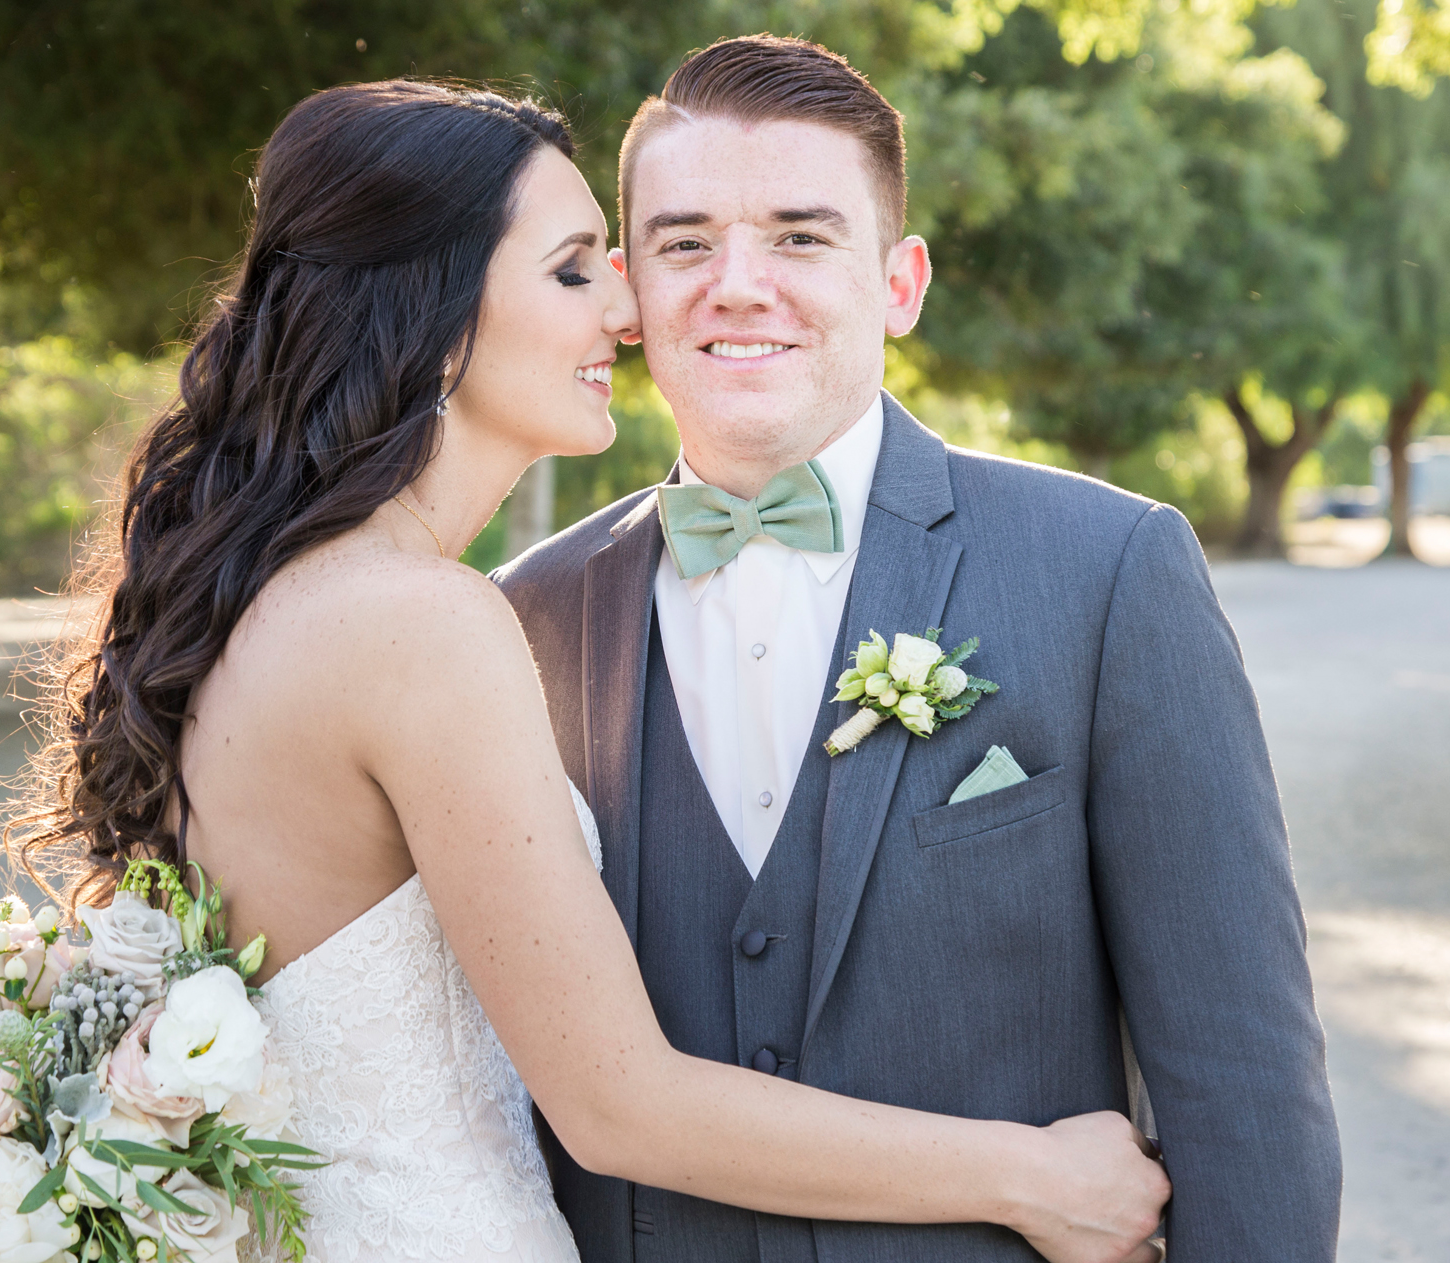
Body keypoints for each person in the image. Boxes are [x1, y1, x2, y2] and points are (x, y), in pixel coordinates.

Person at [6, 79, 1169, 1263]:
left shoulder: (281, 601)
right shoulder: (425, 622)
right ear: (436, 313)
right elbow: (621, 1107)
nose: (627, 306)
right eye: (573, 270)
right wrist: (1031, 1176)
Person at [493, 35, 1343, 1262]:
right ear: (625, 290)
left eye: (799, 235)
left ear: (900, 282)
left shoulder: (1109, 570)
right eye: (686, 242)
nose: (735, 284)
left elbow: (1240, 1072)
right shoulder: (528, 614)